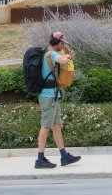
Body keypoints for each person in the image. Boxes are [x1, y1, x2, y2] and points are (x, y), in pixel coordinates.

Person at [35, 31, 81, 169]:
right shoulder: (51, 54)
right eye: (62, 43)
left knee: (56, 127)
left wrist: (66, 55)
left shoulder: (52, 54)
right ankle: (40, 159)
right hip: (48, 97)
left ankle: (64, 156)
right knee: (45, 127)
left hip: (53, 96)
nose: (63, 45)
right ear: (57, 42)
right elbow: (62, 60)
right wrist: (67, 55)